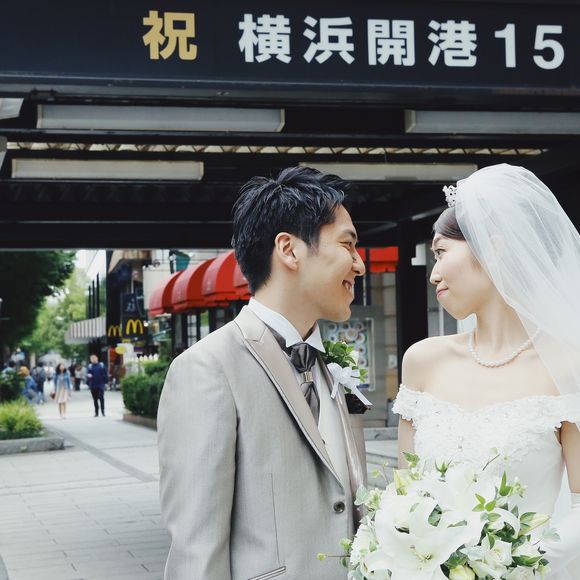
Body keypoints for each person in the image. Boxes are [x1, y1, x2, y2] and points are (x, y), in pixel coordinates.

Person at [157, 167, 367, 580]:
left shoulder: (328, 365)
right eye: (348, 244)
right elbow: (197, 552)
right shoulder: (207, 368)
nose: (359, 265)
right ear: (289, 250)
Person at [394, 164, 580, 579]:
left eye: (441, 252)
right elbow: (404, 498)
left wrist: (507, 567)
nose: (433, 274)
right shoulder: (422, 361)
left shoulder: (567, 365)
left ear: (491, 248)